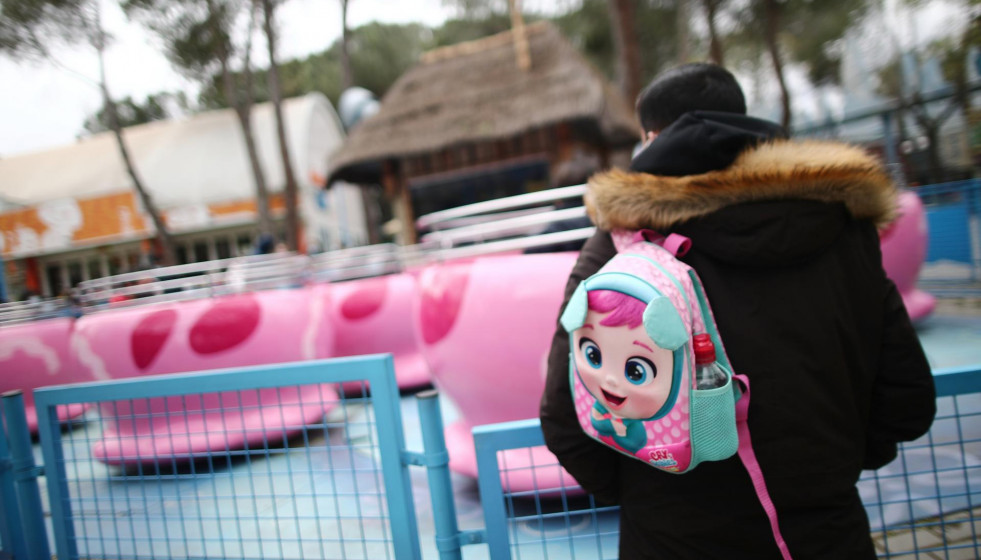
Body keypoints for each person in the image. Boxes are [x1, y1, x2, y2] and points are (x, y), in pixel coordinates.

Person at [539, 62, 936, 559]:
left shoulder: (622, 244)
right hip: (825, 534)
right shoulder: (841, 226)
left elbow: (562, 412)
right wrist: (831, 473)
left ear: (654, 137)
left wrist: (651, 494)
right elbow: (908, 396)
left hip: (672, 539)